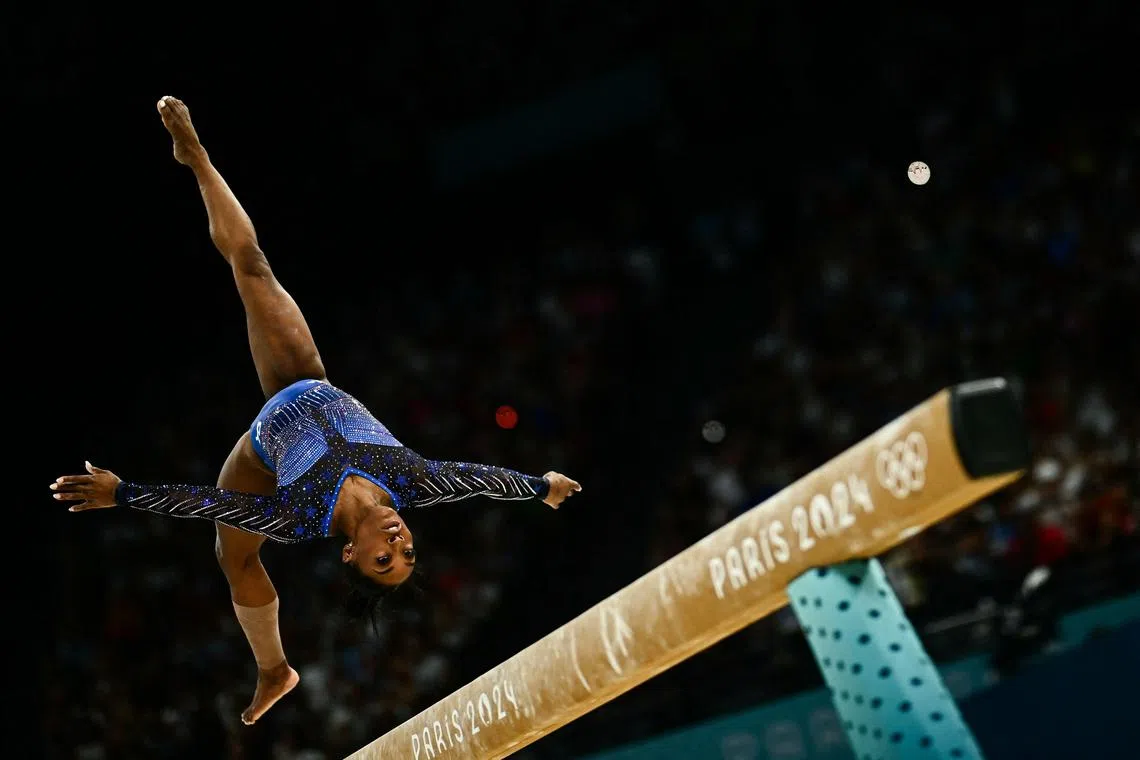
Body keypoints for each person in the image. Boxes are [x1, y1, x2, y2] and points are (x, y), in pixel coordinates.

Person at [49, 96, 582, 726]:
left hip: (259, 450)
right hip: (305, 379)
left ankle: (273, 666)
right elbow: (480, 480)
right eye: (408, 555)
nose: (398, 546)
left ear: (349, 556)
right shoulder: (413, 483)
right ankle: (197, 159)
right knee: (252, 266)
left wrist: (124, 493)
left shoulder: (300, 516)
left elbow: (208, 503)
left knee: (234, 555)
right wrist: (542, 486)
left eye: (384, 561)